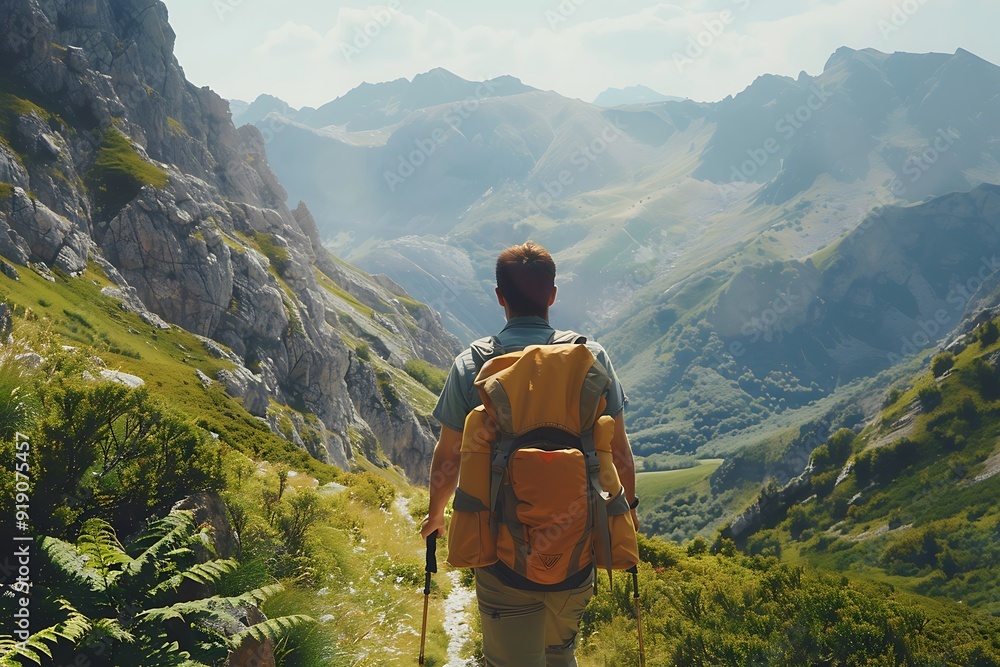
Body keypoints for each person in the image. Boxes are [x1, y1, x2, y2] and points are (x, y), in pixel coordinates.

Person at [420, 241, 638, 667]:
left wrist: (434, 516)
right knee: (560, 654)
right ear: (553, 295)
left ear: (500, 297)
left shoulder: (474, 364)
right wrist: (626, 512)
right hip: (579, 548)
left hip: (502, 555)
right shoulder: (591, 359)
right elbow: (619, 450)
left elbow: (448, 456)